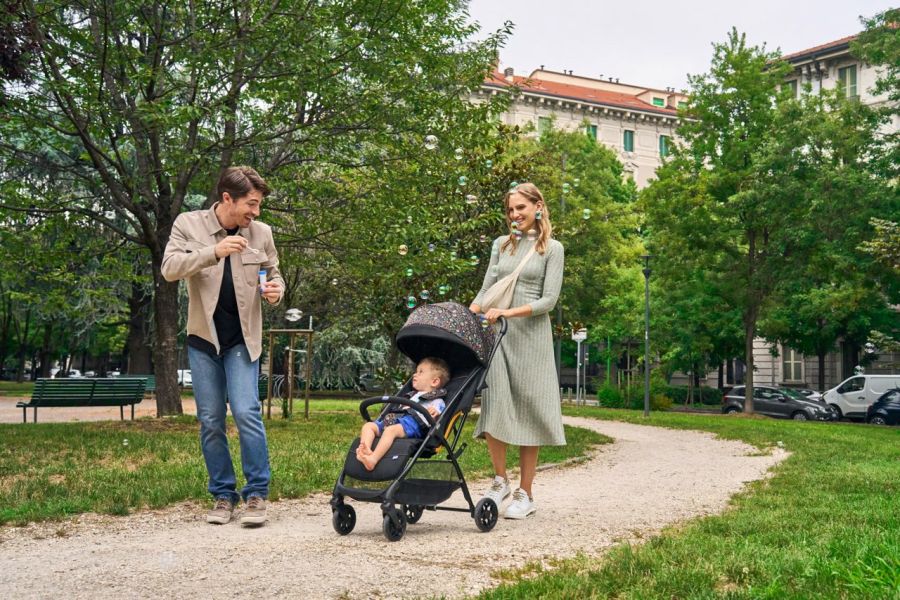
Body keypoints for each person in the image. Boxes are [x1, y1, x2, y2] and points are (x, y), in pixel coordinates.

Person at [162, 166, 285, 527]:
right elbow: (169, 268)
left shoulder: (262, 233)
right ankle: (222, 495)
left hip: (243, 340)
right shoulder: (188, 224)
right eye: (251, 204)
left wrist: (276, 291)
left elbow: (274, 274)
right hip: (204, 340)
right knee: (211, 420)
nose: (256, 212)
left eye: (259, 205)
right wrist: (212, 252)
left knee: (246, 412)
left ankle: (257, 493)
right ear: (227, 198)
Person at [469, 182, 565, 519]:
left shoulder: (552, 249)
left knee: (528, 409)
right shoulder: (501, 245)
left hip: (532, 340)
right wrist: (464, 317)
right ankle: (500, 481)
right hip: (498, 336)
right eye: (510, 209)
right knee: (495, 403)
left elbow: (548, 300)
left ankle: (526, 493)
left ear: (538, 206)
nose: (514, 214)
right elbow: (486, 290)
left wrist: (509, 312)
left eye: (520, 207)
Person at [355, 357, 450, 471]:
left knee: (390, 431)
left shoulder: (437, 400)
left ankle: (373, 459)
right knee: (369, 426)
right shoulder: (411, 395)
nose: (415, 374)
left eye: (420, 372)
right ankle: (365, 449)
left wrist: (435, 412)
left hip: (413, 425)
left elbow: (438, 412)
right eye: (416, 371)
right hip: (394, 420)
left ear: (434, 381)